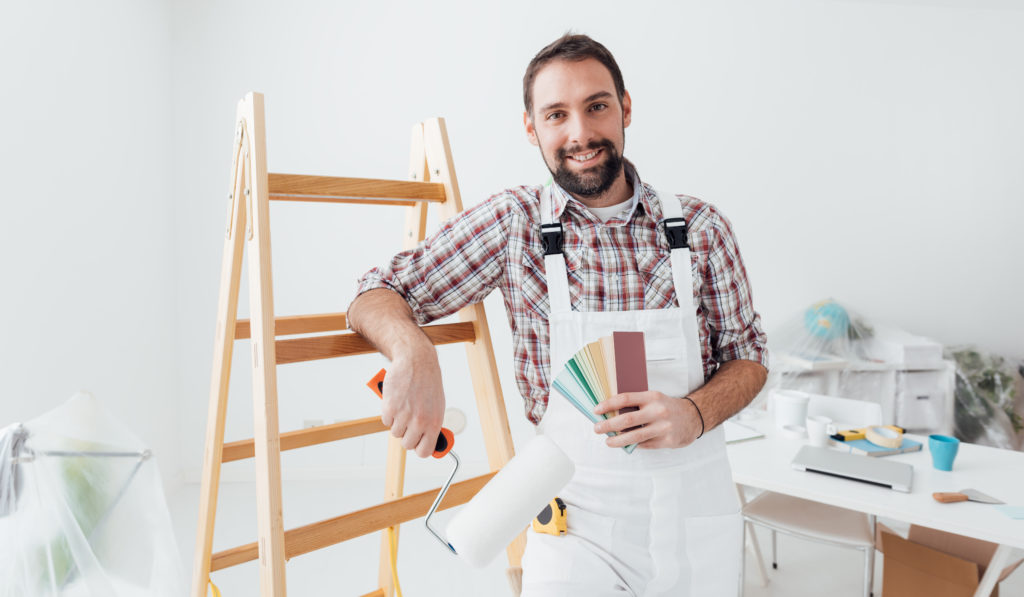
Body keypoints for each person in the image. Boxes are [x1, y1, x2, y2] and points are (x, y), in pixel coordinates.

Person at [348, 33, 768, 597]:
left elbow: (750, 357)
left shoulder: (701, 228)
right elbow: (378, 290)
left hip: (695, 519)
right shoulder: (514, 224)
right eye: (556, 114)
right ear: (531, 128)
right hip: (576, 529)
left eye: (596, 106)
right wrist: (411, 347)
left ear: (625, 106)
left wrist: (693, 412)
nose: (580, 133)